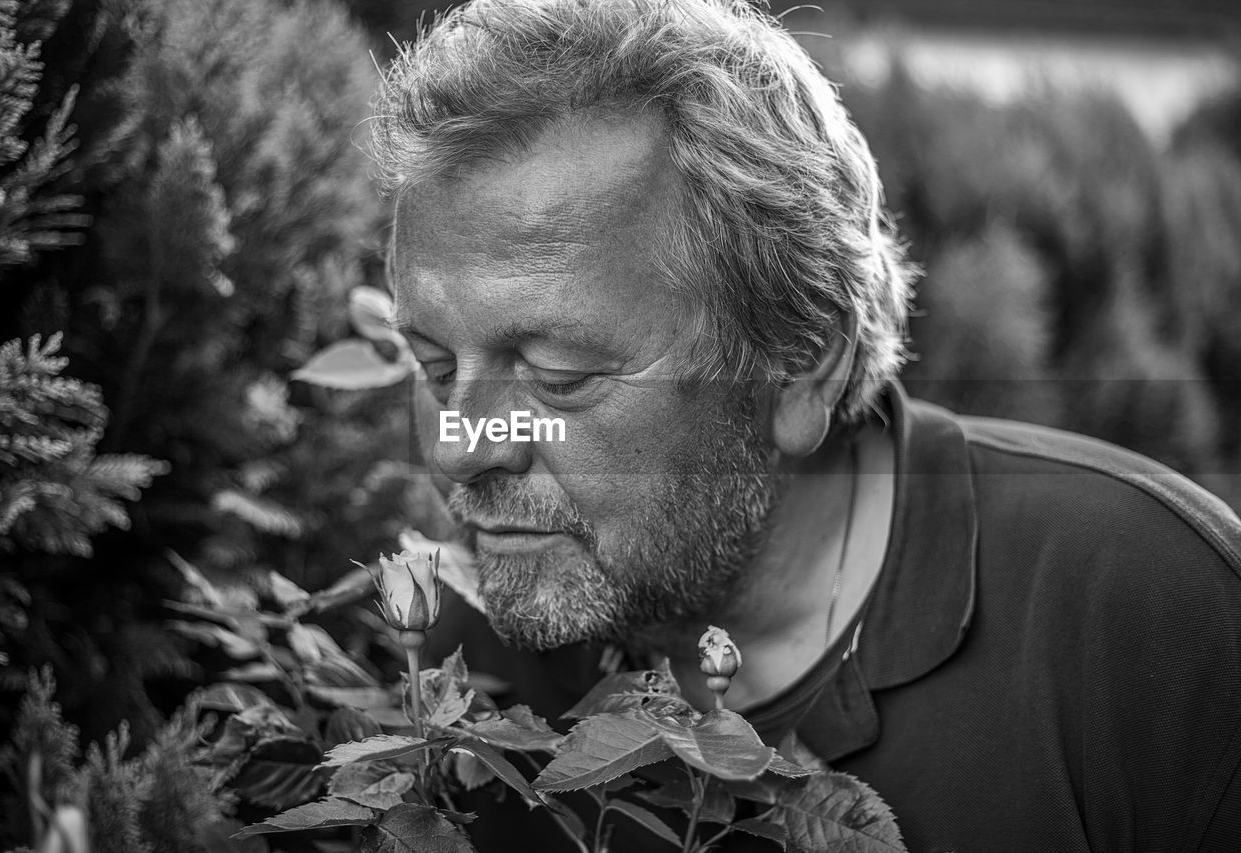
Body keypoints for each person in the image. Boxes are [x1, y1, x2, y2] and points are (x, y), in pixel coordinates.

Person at [372, 0, 1241, 849]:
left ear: (799, 364)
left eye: (558, 376)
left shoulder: (1152, 623)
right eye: (435, 365)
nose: (456, 444)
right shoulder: (454, 670)